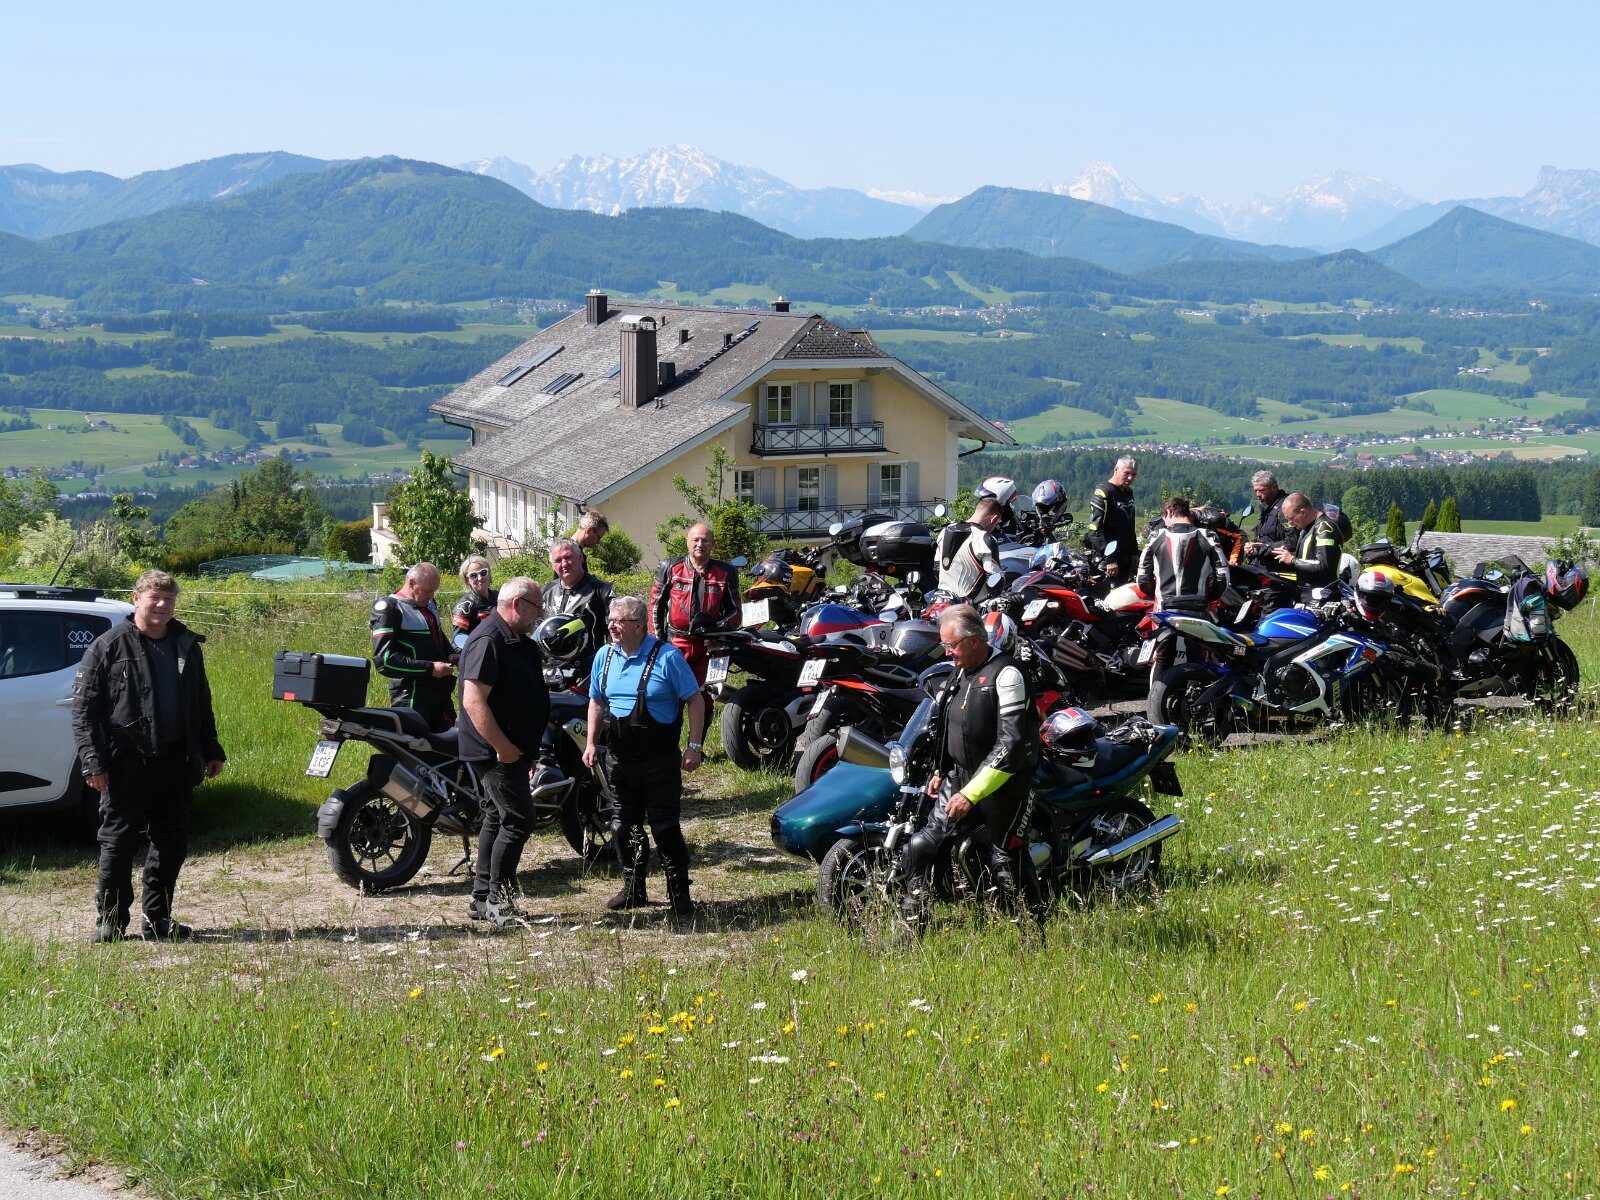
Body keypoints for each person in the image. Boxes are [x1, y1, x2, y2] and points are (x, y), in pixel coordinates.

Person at [71, 570, 225, 943]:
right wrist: (93, 763)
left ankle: (157, 919)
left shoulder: (186, 644)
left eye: (168, 599)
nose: (161, 605)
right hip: (125, 762)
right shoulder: (108, 646)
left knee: (171, 843)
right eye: (154, 597)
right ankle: (110, 921)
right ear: (136, 599)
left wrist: (211, 748)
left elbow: (200, 702)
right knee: (118, 844)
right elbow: (83, 711)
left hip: (176, 760)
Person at [898, 604, 1042, 925]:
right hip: (959, 778)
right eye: (944, 645)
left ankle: (1033, 933)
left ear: (974, 640)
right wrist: (939, 770)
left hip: (1007, 783)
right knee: (919, 847)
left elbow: (1011, 745)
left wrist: (971, 794)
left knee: (1008, 865)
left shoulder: (1007, 674)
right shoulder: (960, 671)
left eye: (951, 645)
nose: (947, 652)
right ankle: (913, 928)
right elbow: (947, 726)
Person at [583, 596, 708, 917]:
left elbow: (695, 700)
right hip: (619, 759)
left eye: (619, 621)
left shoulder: (668, 657)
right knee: (623, 826)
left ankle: (678, 891)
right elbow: (596, 701)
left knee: (664, 827)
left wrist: (694, 746)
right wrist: (591, 743)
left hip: (659, 759)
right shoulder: (604, 656)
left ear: (639, 625)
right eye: (610, 620)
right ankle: (634, 888)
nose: (612, 626)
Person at [457, 578, 548, 927]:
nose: (540, 615)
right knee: (518, 819)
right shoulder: (489, 640)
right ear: (517, 604)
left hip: (512, 747)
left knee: (497, 816)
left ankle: (482, 899)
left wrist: (527, 746)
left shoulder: (515, 639)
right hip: (495, 750)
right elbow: (473, 701)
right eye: (537, 607)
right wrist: (503, 746)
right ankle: (499, 903)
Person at [1137, 496, 1229, 684]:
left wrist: (1157, 594)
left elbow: (1142, 579)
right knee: (1198, 658)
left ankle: (1155, 700)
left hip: (1164, 608)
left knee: (1162, 657)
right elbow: (1223, 578)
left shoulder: (1156, 536)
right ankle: (1196, 699)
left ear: (1169, 512)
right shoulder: (1208, 536)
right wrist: (1207, 599)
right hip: (1197, 608)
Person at [649, 522, 740, 685]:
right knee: (671, 691)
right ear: (687, 541)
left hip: (710, 645)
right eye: (695, 540)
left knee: (706, 693)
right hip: (676, 642)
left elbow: (735, 611)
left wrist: (715, 631)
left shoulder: (726, 572)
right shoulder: (670, 567)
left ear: (713, 543)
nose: (700, 544)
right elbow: (655, 607)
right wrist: (658, 642)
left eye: (705, 540)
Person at [370, 562, 457, 732]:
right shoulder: (389, 608)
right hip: (410, 698)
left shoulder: (429, 604)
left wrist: (451, 654)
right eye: (427, 591)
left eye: (434, 591)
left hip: (440, 695)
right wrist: (430, 668)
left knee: (451, 743)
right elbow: (384, 660)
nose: (431, 596)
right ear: (411, 583)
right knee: (414, 746)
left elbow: (437, 635)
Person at [545, 536, 615, 683]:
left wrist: (607, 667)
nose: (564, 564)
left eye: (568, 557)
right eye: (558, 560)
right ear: (552, 565)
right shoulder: (546, 591)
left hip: (588, 675)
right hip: (551, 674)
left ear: (580, 558)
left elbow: (615, 633)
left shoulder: (601, 591)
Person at [934, 496, 1006, 603]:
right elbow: (994, 580)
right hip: (968, 608)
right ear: (994, 519)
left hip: (941, 603)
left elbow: (936, 569)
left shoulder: (943, 532)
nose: (994, 527)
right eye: (996, 524)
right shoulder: (984, 539)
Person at [1271, 493, 1343, 593]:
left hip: (1322, 593)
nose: (1290, 523)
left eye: (1291, 518)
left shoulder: (1324, 527)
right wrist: (1288, 555)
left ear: (1303, 512)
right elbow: (1309, 558)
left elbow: (1322, 564)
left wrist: (1292, 560)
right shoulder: (1306, 529)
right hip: (1307, 590)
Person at [1087, 456, 1138, 580]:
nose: (1130, 478)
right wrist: (1109, 558)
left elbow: (1129, 526)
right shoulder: (1104, 492)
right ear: (1116, 469)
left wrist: (1134, 552)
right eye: (1127, 473)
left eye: (1134, 474)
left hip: (1125, 559)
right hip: (1107, 562)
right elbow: (1095, 530)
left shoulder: (1128, 493)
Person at [451, 556, 498, 651]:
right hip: (481, 654)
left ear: (489, 574)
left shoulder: (501, 597)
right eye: (473, 575)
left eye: (483, 573)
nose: (480, 578)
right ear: (467, 580)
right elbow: (457, 641)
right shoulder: (464, 606)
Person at [1245, 471, 1292, 561]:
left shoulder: (1285, 507)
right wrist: (1252, 545)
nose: (1258, 494)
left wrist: (1261, 548)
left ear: (1274, 487)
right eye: (1256, 491)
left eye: (1262, 490)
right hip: (1262, 562)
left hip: (1278, 564)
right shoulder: (1266, 508)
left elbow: (1292, 542)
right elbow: (1265, 538)